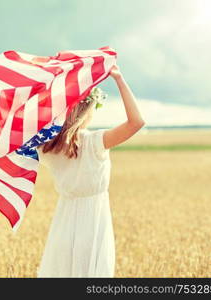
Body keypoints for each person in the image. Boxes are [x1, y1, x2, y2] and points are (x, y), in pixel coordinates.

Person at [35, 64, 145, 277]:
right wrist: (119, 80)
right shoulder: (95, 142)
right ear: (88, 110)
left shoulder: (48, 146)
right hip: (93, 226)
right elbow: (136, 122)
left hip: (62, 226)